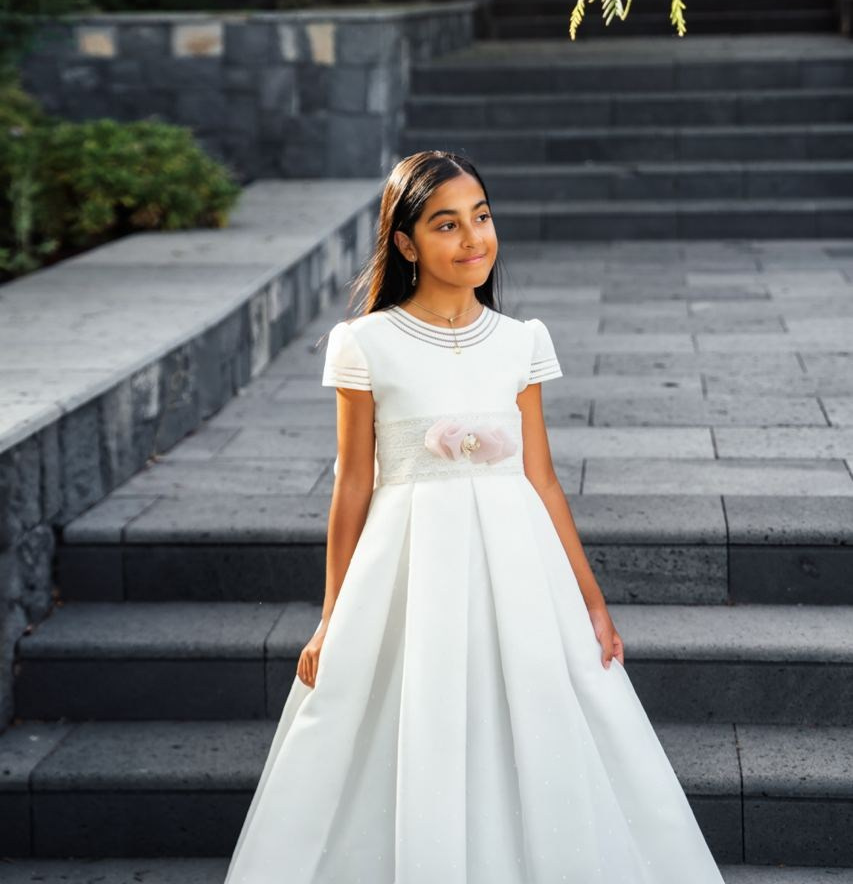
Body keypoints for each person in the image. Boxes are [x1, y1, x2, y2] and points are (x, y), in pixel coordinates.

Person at [223, 149, 727, 884]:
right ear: (404, 243)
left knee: (532, 715)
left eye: (482, 218)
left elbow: (544, 480)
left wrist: (591, 603)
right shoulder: (366, 343)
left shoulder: (520, 340)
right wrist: (333, 616)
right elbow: (353, 486)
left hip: (517, 567)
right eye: (446, 225)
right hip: (407, 569)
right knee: (412, 718)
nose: (472, 239)